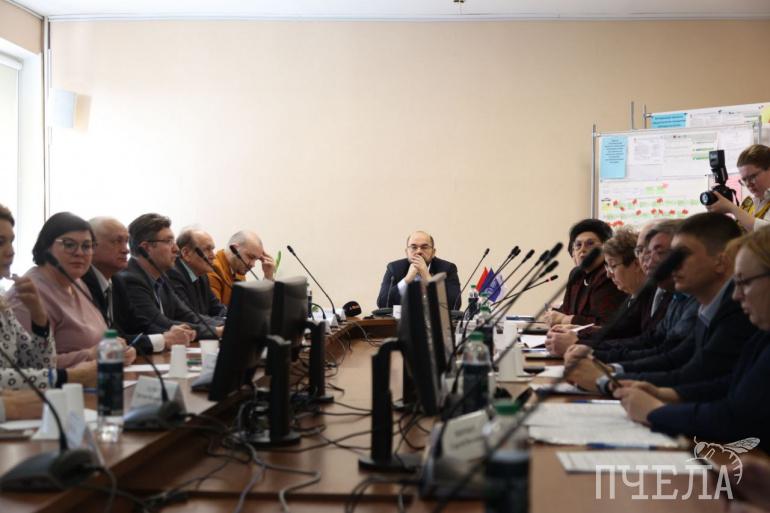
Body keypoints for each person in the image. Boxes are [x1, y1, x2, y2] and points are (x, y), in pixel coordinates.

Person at [614, 226, 770, 452]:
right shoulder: (763, 334)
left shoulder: (738, 316)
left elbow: (737, 418)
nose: (737, 295)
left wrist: (655, 411)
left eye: (744, 282)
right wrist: (667, 394)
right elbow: (731, 385)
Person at [566, 212, 755, 393]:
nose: (648, 261)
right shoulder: (686, 298)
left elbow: (696, 375)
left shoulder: (734, 309)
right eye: (642, 251)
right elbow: (670, 353)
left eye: (676, 254)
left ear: (721, 261)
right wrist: (607, 369)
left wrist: (608, 380)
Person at [8, 212, 135, 370]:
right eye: (69, 245)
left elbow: (100, 340)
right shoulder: (27, 293)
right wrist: (91, 355)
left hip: (95, 379)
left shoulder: (77, 283)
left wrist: (117, 349)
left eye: (86, 246)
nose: (79, 253)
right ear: (46, 247)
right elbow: (27, 365)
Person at [83, 217, 195, 354]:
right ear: (91, 246)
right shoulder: (82, 283)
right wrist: (163, 339)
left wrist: (169, 334)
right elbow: (107, 338)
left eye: (126, 242)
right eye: (117, 241)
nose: (126, 250)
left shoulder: (116, 281)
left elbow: (137, 324)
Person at [545, 227, 654, 356]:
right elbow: (617, 332)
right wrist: (579, 332)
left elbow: (641, 343)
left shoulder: (653, 298)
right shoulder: (633, 296)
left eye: (613, 266)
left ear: (636, 264)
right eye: (578, 245)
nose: (609, 274)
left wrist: (580, 342)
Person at [120, 213, 222, 340]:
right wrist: (217, 331)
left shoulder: (162, 279)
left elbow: (188, 316)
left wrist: (224, 327)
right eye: (168, 241)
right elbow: (160, 323)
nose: (176, 249)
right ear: (146, 248)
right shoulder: (130, 280)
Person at [543, 218, 626, 326]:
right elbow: (567, 310)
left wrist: (566, 319)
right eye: (578, 245)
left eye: (590, 244)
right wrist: (553, 315)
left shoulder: (608, 274)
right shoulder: (576, 274)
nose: (582, 250)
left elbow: (604, 323)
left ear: (605, 248)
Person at [376, 231, 461, 309]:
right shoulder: (394, 268)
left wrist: (427, 276)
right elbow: (383, 304)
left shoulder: (447, 269)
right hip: (401, 320)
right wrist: (407, 280)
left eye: (424, 247)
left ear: (433, 252)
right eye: (413, 247)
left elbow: (454, 305)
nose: (419, 251)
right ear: (407, 252)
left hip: (435, 320)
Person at [707, 144, 770, 232]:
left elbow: (766, 232)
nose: (748, 184)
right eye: (744, 179)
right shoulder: (749, 203)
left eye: (753, 177)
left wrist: (732, 208)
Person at [167, 228, 227, 320]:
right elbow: (190, 317)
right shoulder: (173, 275)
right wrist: (226, 324)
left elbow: (217, 308)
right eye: (207, 249)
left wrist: (235, 318)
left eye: (212, 249)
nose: (213, 256)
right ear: (186, 253)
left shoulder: (202, 276)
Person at [208, 231, 276, 306]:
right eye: (250, 257)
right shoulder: (212, 270)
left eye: (256, 259)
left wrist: (268, 276)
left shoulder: (238, 271)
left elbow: (248, 307)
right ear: (234, 249)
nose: (253, 264)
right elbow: (216, 311)